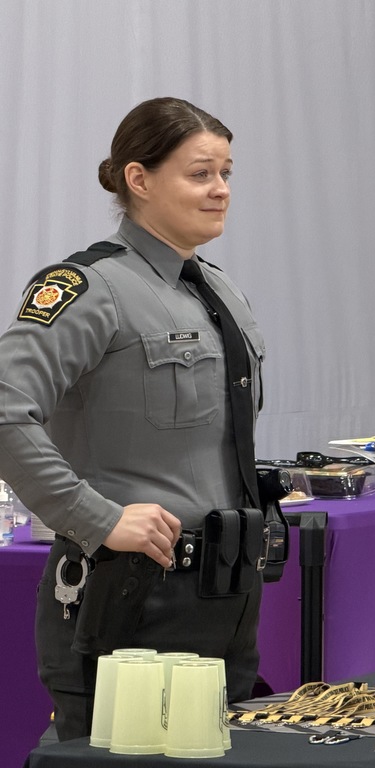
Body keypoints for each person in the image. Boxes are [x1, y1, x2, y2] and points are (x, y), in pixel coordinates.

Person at [0, 97, 266, 741]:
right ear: (138, 179)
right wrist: (98, 517)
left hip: (224, 594)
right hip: (129, 594)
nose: (221, 190)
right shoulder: (89, 287)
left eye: (227, 173)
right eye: (200, 174)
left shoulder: (219, 290)